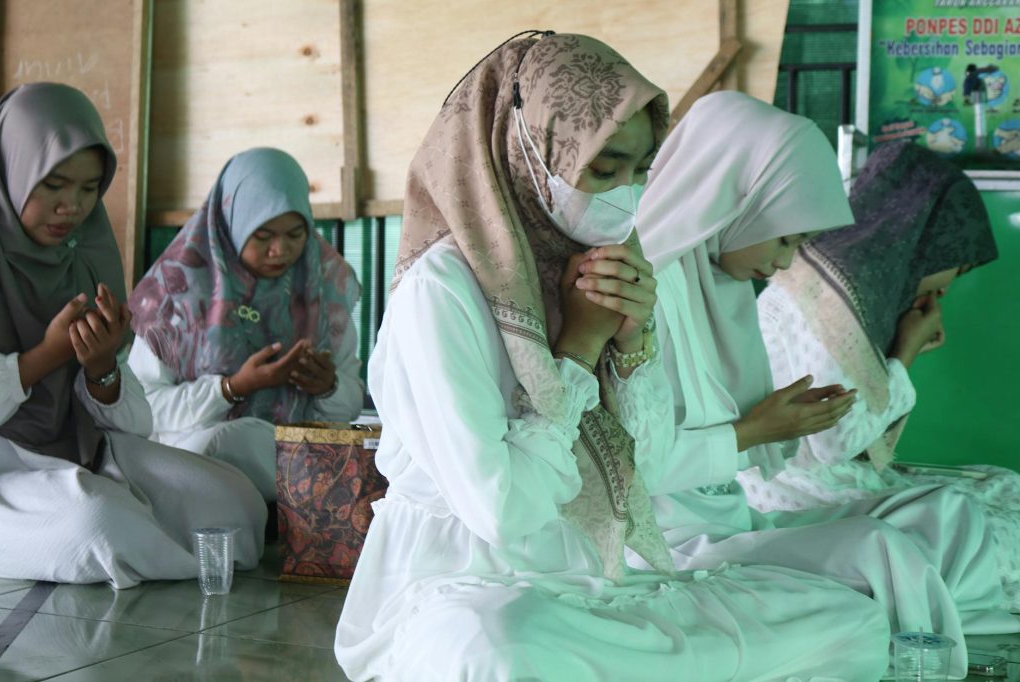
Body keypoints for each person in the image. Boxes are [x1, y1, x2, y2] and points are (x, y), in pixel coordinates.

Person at [334, 32, 890, 682]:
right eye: (605, 169)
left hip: (587, 579)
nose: (627, 195)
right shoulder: (441, 293)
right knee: (497, 648)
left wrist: (632, 347)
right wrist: (579, 347)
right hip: (464, 585)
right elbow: (504, 513)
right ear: (526, 154)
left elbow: (642, 470)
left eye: (641, 170)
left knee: (845, 619)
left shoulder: (598, 265)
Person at [635, 91, 1019, 679]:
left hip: (727, 520)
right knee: (894, 557)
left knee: (898, 546)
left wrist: (776, 424)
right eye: (785, 238)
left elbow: (755, 448)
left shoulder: (719, 290)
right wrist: (756, 430)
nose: (788, 263)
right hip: (667, 544)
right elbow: (625, 470)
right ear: (737, 202)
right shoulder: (641, 299)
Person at [0, 82, 265, 588]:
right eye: (53, 184)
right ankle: (149, 543)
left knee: (236, 506)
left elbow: (136, 422)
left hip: (80, 446)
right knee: (93, 525)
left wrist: (101, 371)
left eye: (88, 187)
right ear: (11, 167)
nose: (72, 206)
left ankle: (145, 542)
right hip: (2, 466)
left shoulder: (85, 257)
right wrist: (46, 355)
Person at [742, 140, 1020, 612]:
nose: (950, 283)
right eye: (957, 261)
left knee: (1003, 486)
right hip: (790, 489)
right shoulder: (826, 300)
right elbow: (835, 442)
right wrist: (904, 353)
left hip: (812, 476)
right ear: (923, 240)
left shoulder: (846, 288)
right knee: (1001, 533)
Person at [128, 148, 364, 502]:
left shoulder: (325, 286)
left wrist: (328, 386)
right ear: (232, 222)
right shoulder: (175, 294)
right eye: (263, 235)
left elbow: (350, 403)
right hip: (196, 469)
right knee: (232, 440)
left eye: (295, 234)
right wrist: (232, 388)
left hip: (293, 465)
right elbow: (141, 410)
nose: (280, 250)